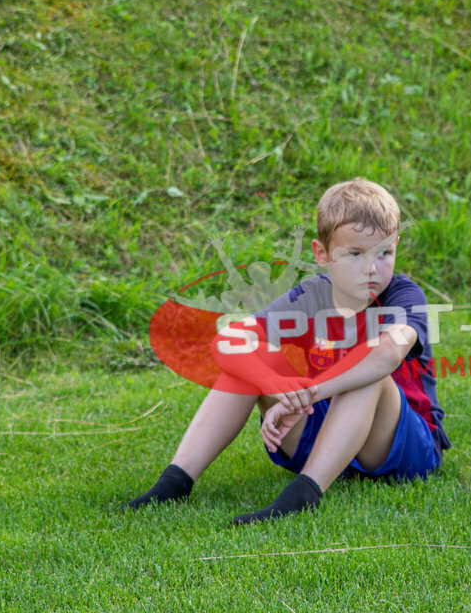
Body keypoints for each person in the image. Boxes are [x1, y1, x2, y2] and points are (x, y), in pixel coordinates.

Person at [124, 178, 450, 524]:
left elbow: (385, 355)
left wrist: (308, 393)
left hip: (402, 448)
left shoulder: (404, 295)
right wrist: (277, 386)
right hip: (328, 432)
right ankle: (175, 481)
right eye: (355, 254)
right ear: (321, 253)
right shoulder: (311, 296)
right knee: (247, 360)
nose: (372, 268)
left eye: (384, 253)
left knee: (369, 372)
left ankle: (303, 495)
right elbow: (228, 341)